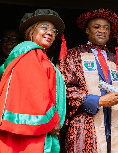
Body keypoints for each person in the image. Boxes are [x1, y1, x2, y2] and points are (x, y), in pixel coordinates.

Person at [59, 8, 118, 153]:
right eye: (97, 27)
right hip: (84, 125)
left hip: (115, 125)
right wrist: (99, 101)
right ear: (87, 30)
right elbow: (66, 90)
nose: (102, 31)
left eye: (106, 28)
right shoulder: (74, 56)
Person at [0, 9, 66, 152]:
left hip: (32, 131)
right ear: (31, 31)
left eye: (53, 31)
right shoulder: (30, 53)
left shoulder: (36, 55)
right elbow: (36, 93)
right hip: (32, 134)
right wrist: (53, 120)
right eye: (44, 27)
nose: (50, 32)